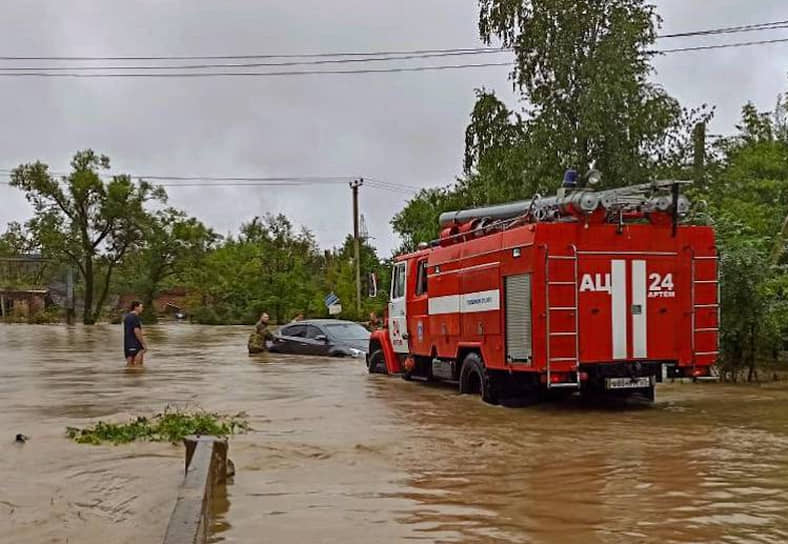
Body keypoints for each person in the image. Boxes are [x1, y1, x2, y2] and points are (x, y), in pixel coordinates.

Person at [123, 301, 147, 365]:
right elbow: (136, 330)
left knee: (130, 364)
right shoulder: (135, 317)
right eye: (141, 307)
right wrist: (143, 343)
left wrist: (142, 332)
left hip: (127, 344)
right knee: (138, 366)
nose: (142, 308)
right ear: (136, 307)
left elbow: (130, 330)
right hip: (135, 343)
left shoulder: (127, 317)